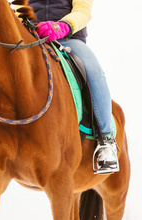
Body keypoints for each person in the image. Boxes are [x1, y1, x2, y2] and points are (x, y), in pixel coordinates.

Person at [25, 0, 119, 174]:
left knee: (95, 73)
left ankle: (106, 141)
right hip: (31, 40)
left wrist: (63, 26)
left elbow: (83, 10)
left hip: (68, 39)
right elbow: (17, 8)